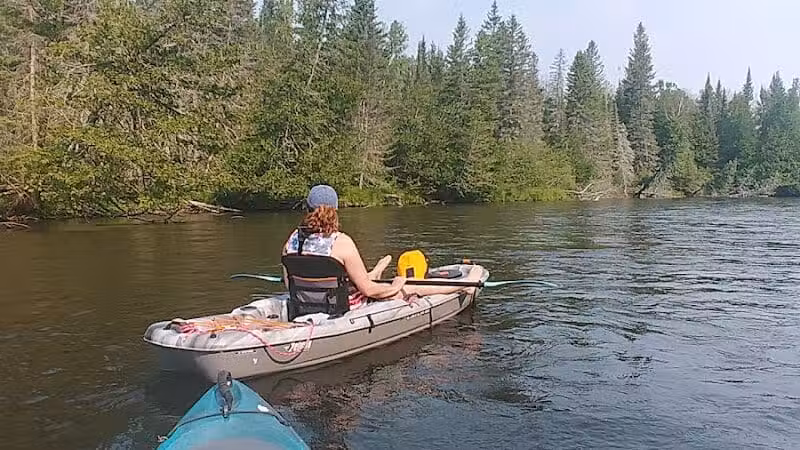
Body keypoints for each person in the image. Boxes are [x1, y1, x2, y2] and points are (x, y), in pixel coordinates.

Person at [282, 184, 481, 310]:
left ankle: (376, 271)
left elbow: (289, 284)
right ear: (335, 210)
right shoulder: (341, 243)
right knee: (412, 285)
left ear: (307, 208)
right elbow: (369, 291)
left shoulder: (291, 242)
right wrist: (397, 285)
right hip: (341, 306)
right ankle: (467, 284)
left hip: (304, 305)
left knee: (362, 279)